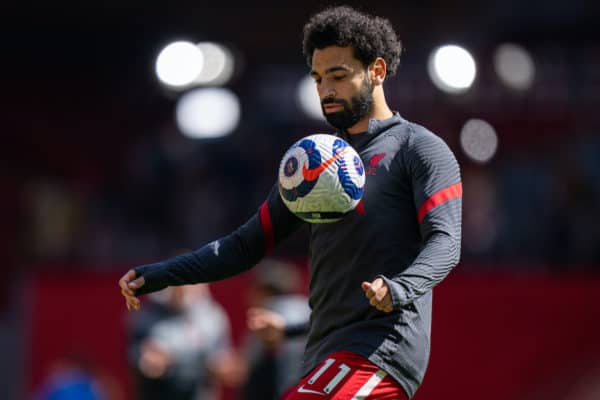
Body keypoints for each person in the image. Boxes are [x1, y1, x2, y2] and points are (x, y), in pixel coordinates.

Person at [119, 5, 462, 399]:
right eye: (318, 79)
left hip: (380, 352)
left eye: (338, 75)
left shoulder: (419, 149)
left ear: (377, 71)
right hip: (324, 355)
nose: (326, 91)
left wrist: (399, 288)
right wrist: (161, 274)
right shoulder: (318, 160)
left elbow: (446, 243)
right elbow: (244, 246)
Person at [126, 284, 245, 400]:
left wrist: (223, 367)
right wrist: (147, 362)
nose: (183, 288)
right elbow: (137, 357)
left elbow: (222, 356)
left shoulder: (213, 317)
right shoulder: (145, 317)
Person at [241, 259, 311, 400]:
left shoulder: (268, 311)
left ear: (265, 291)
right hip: (311, 385)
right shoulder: (306, 308)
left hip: (280, 388)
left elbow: (248, 362)